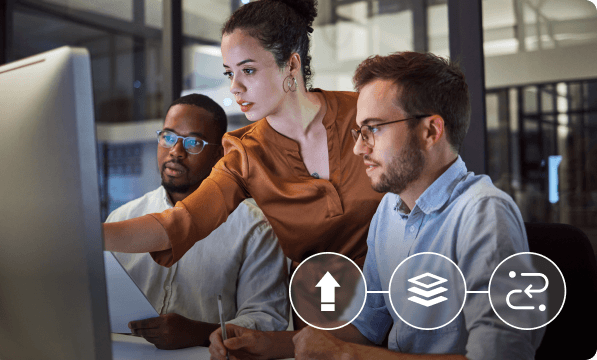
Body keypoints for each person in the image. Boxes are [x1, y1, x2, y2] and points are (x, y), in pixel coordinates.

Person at [104, 0, 382, 305]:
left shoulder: (365, 113)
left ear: (291, 64)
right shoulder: (244, 154)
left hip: (406, 300)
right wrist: (90, 236)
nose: (235, 87)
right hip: (325, 317)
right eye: (229, 74)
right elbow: (180, 223)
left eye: (248, 70)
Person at [283, 52, 546, 359]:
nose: (358, 148)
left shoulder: (484, 213)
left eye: (375, 128)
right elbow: (369, 323)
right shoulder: (389, 210)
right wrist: (273, 343)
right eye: (359, 131)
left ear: (431, 131)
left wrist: (345, 355)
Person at [107, 94, 289, 350]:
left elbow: (268, 321)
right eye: (168, 137)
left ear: (219, 153)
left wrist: (199, 333)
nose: (176, 151)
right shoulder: (123, 218)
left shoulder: (255, 229)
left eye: (193, 142)